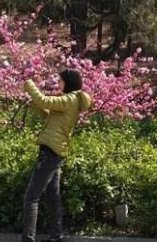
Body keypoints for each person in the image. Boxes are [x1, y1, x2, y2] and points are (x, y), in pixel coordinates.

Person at [22, 69, 91, 242]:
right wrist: (34, 105)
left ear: (68, 82)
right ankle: (56, 236)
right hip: (55, 152)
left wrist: (28, 82)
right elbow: (50, 115)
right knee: (53, 197)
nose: (58, 83)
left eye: (60, 80)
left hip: (50, 153)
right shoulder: (72, 100)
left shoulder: (69, 99)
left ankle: (28, 238)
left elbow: (43, 100)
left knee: (31, 197)